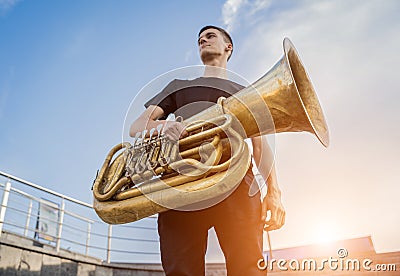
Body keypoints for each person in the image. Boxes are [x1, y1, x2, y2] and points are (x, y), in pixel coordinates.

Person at [129, 25, 285, 275]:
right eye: (199, 39)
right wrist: (164, 125)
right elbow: (137, 126)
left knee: (249, 268)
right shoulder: (178, 85)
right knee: (181, 270)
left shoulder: (244, 92)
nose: (202, 40)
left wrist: (274, 193)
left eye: (210, 36)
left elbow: (259, 144)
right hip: (180, 183)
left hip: (236, 185)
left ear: (228, 46)